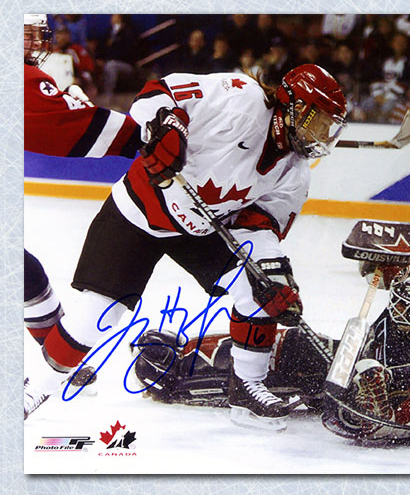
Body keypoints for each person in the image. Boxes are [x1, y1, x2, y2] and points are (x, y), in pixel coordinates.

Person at [23, 63, 348, 432]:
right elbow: (157, 94)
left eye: (328, 126)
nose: (320, 134)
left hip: (203, 228)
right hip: (140, 211)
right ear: (291, 107)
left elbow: (261, 227)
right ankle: (35, 388)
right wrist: (170, 125)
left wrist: (271, 276)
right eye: (316, 120)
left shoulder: (295, 172)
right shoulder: (240, 98)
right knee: (98, 315)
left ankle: (247, 389)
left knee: (259, 285)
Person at [130, 244, 410, 445]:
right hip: (382, 358)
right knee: (296, 347)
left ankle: (172, 374)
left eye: (404, 306)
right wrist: (388, 265)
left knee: (292, 364)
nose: (395, 306)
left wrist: (389, 409)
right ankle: (193, 346)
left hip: (392, 379)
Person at [24, 13, 141, 418]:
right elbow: (64, 128)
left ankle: (55, 354)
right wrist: (138, 135)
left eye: (36, 36)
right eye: (24, 36)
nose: (34, 45)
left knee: (22, 272)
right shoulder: (20, 78)